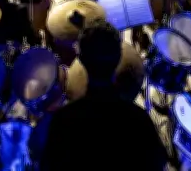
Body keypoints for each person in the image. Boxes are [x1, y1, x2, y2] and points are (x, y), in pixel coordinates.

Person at [40, 20, 167, 171]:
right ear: (119, 57)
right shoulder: (140, 120)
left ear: (81, 60)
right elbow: (158, 163)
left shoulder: (62, 121)